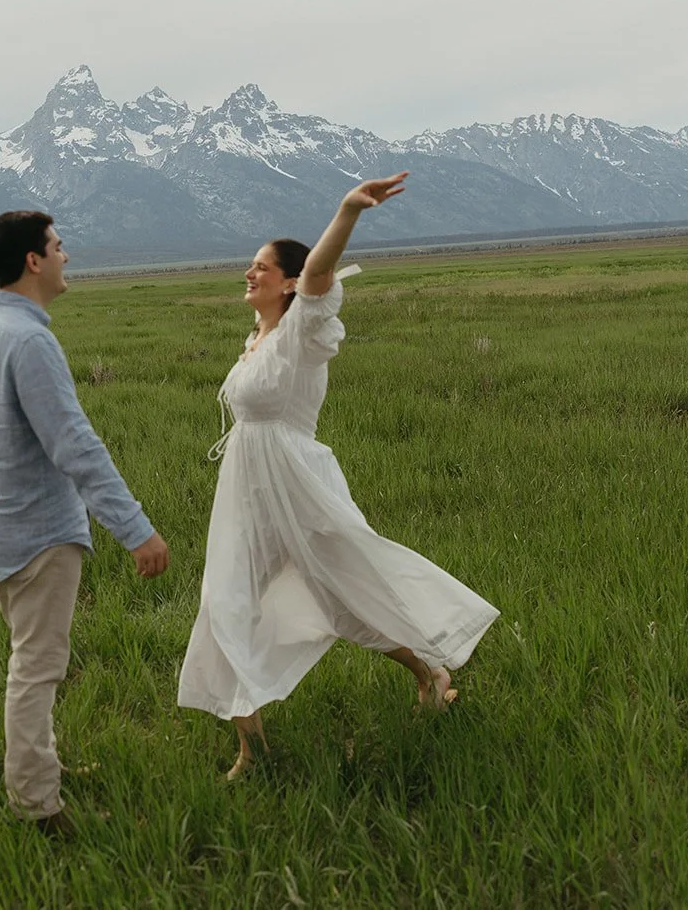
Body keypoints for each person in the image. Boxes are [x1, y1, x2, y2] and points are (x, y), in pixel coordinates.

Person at [176, 172, 499, 779]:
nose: (249, 275)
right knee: (225, 603)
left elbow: (321, 274)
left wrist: (347, 211)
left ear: (291, 283)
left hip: (298, 489)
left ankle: (431, 671)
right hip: (247, 495)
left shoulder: (303, 330)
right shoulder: (259, 338)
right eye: (249, 267)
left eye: (261, 268)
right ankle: (254, 749)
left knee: (347, 592)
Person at [0, 210, 171, 834]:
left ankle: (39, 769)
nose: (66, 256)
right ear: (33, 260)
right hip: (37, 537)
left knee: (34, 662)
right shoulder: (27, 340)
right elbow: (74, 444)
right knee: (37, 668)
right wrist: (136, 529)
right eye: (57, 246)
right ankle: (36, 807)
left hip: (2, 530)